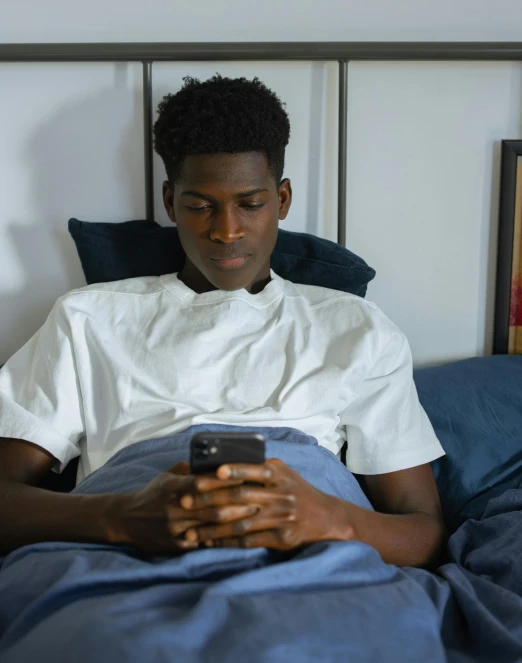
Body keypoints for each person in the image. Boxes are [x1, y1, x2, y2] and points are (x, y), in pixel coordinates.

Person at [0, 75, 446, 566]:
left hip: (311, 557)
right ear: (171, 202)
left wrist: (329, 519)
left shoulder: (356, 328)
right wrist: (123, 517)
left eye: (251, 204)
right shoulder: (88, 318)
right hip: (132, 549)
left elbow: (423, 531)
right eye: (199, 206)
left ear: (283, 199)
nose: (227, 231)